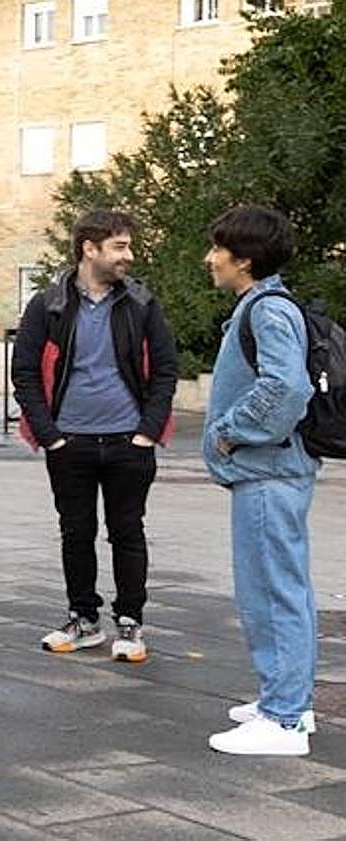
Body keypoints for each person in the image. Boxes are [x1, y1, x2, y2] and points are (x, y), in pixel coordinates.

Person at [12, 209, 178, 660]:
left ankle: (130, 623)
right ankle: (84, 619)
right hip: (70, 443)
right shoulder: (48, 305)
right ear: (90, 248)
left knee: (128, 531)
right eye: (119, 246)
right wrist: (50, 436)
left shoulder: (141, 304)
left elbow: (165, 370)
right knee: (75, 532)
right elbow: (24, 373)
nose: (129, 255)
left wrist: (147, 432)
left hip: (129, 441)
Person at [202, 205, 318, 756]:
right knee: (274, 589)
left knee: (273, 593)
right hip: (269, 473)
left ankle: (285, 718)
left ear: (243, 260)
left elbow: (286, 390)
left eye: (218, 249)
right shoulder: (263, 305)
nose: (210, 258)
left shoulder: (268, 312)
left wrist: (229, 431)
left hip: (268, 472)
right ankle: (285, 697)